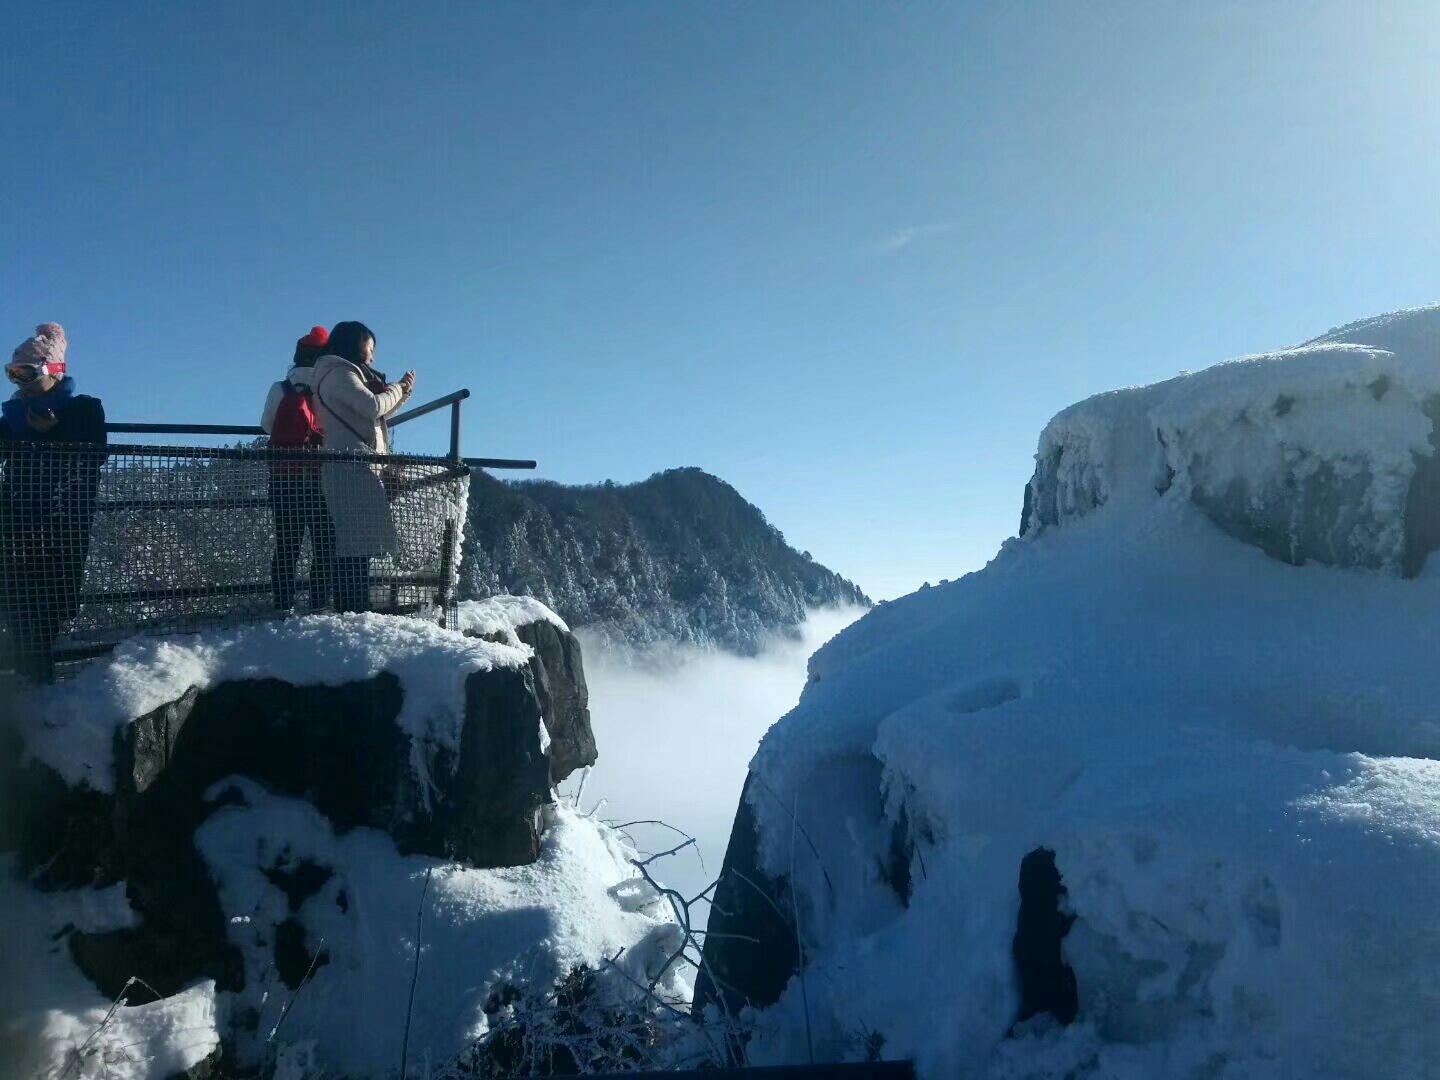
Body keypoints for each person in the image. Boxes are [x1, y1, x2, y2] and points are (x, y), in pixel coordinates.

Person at [0, 323, 107, 682]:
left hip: (61, 530)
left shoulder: (84, 410)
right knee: (19, 614)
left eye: (26, 372)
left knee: (48, 612)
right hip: (15, 528)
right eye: (13, 374)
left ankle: (37, 694)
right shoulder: (12, 419)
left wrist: (54, 434)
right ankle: (33, 692)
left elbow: (96, 451)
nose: (21, 383)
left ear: (53, 369)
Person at [309, 322, 414, 612]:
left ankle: (352, 605)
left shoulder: (332, 373)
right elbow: (371, 407)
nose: (372, 356)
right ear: (356, 345)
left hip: (352, 465)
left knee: (357, 542)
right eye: (370, 348)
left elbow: (369, 413)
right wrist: (397, 388)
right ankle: (353, 607)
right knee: (355, 544)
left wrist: (400, 394)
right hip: (350, 467)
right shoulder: (340, 373)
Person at [260, 326, 336, 612]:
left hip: (283, 478)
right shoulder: (327, 387)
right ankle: (318, 604)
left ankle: (283, 607)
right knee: (325, 544)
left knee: (287, 546)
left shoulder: (280, 388)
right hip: (320, 477)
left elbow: (268, 425)